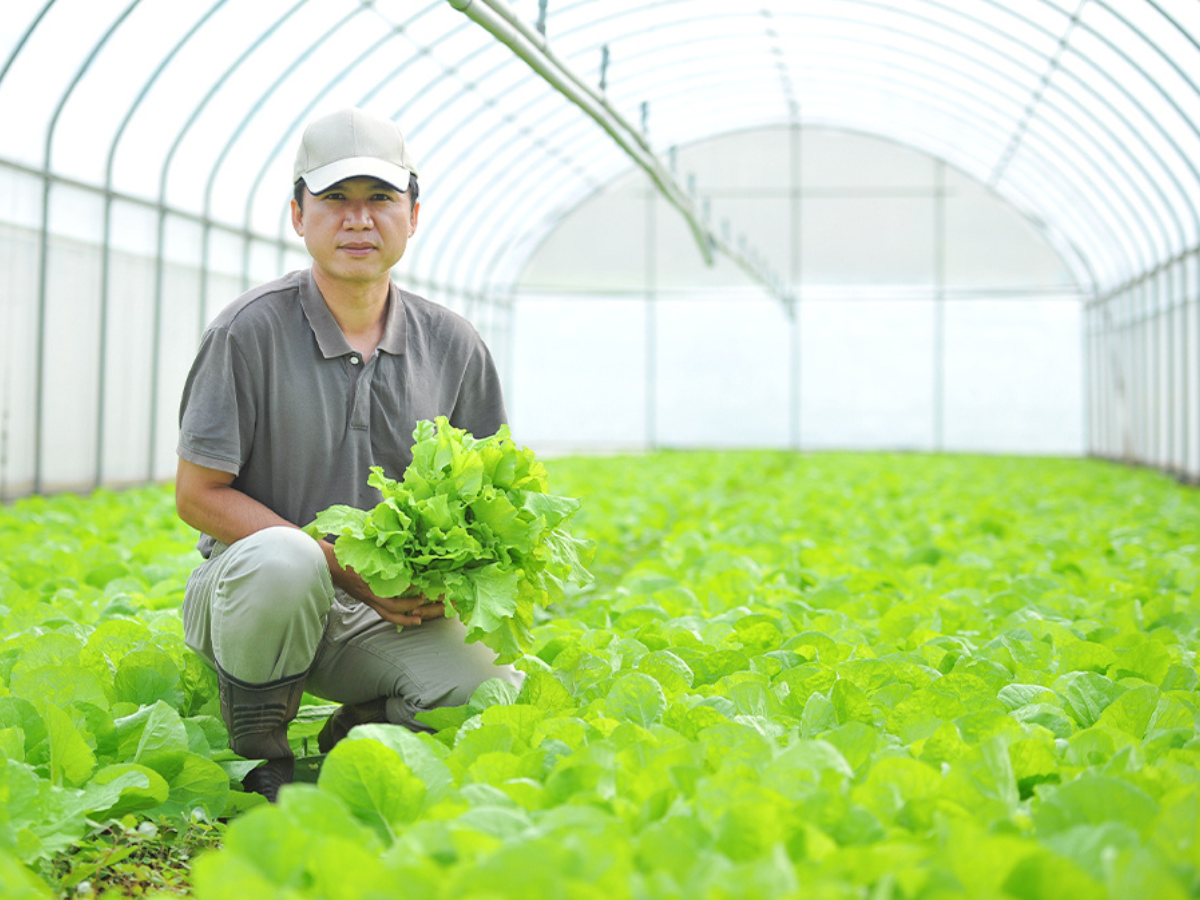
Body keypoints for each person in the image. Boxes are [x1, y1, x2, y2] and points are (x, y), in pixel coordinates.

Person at [174, 107, 522, 802]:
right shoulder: (247, 332)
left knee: (492, 693)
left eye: (380, 200)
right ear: (298, 215)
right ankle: (261, 753)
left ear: (414, 215)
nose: (358, 221)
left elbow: (487, 498)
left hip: (382, 614)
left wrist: (444, 583)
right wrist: (348, 568)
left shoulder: (454, 344)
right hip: (255, 602)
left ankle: (364, 723)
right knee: (288, 555)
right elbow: (197, 494)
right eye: (335, 199)